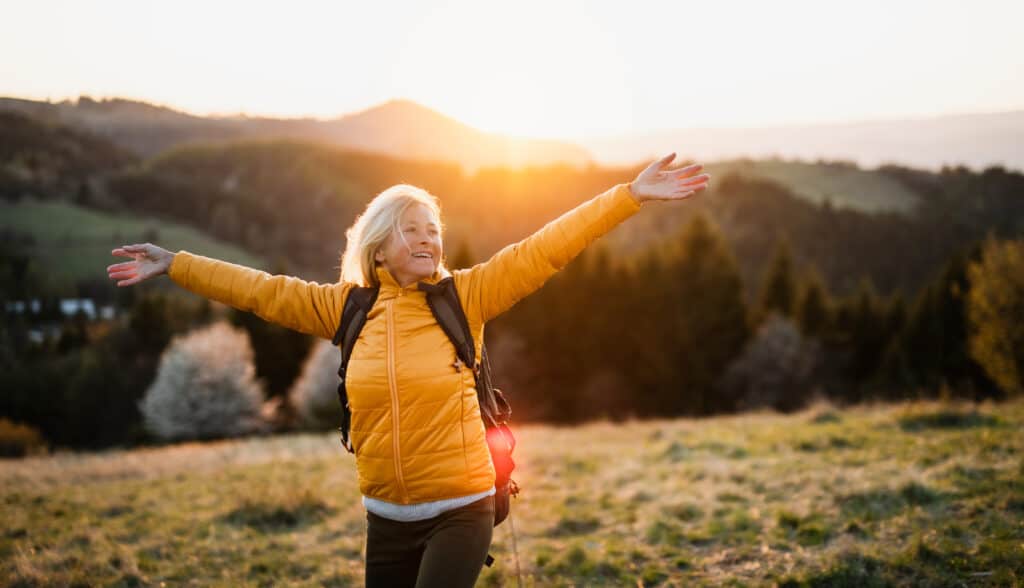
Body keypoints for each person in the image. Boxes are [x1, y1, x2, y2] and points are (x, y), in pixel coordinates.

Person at [107, 152, 709, 587]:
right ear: (378, 245)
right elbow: (260, 291)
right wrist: (176, 264)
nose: (428, 239)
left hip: (463, 507)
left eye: (434, 231)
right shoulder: (346, 309)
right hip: (385, 516)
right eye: (412, 229)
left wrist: (627, 196)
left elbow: (546, 247)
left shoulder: (465, 298)